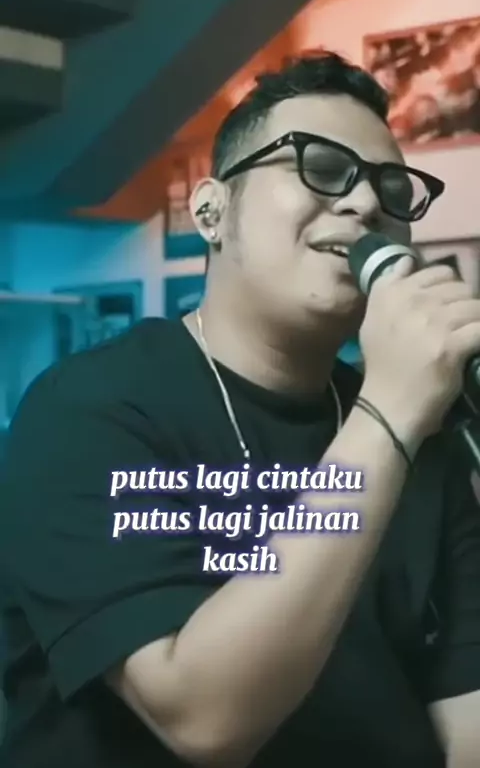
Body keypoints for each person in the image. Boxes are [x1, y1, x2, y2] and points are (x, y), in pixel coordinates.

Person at [1, 51, 480, 768]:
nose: (365, 203)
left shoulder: (427, 436)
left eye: (390, 186)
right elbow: (203, 720)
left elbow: (466, 718)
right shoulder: (87, 410)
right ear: (211, 212)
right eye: (322, 167)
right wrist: (389, 412)